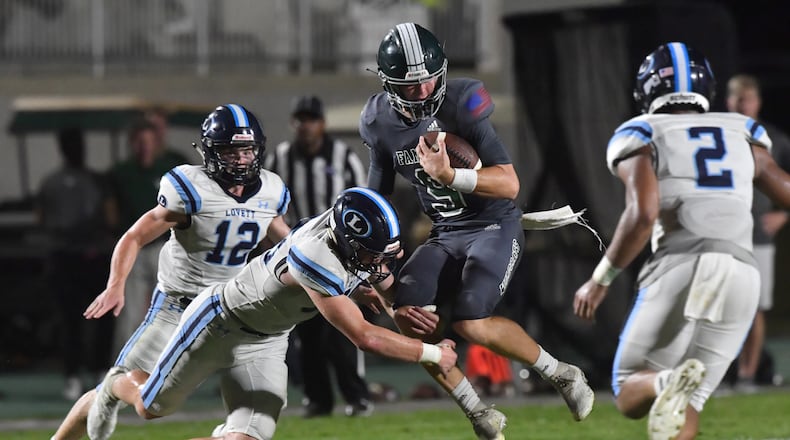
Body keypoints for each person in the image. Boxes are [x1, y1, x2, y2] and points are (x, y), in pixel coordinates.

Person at [361, 22, 594, 439]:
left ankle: (561, 372)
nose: (424, 91)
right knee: (408, 318)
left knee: (471, 321)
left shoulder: (464, 101)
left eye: (430, 79)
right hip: (444, 232)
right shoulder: (378, 120)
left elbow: (509, 184)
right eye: (411, 85)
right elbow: (376, 199)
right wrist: (369, 261)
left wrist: (450, 176)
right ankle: (478, 413)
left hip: (494, 224)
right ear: (387, 83)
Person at [86, 187, 458, 440]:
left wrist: (399, 310)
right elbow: (364, 337)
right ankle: (116, 384)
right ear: (347, 241)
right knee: (150, 407)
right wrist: (431, 352)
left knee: (248, 436)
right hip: (219, 323)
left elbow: (378, 278)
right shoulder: (316, 255)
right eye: (371, 254)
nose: (378, 263)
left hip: (267, 340)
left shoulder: (343, 238)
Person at [572, 42, 790, 440]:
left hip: (682, 263)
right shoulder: (741, 130)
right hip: (742, 272)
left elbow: (643, 214)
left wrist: (600, 280)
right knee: (686, 402)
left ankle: (665, 381)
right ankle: (671, 383)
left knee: (629, 387)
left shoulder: (642, 132)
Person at [51, 104, 291, 440]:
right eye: (230, 151)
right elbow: (135, 236)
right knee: (140, 398)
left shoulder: (270, 190)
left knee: (251, 428)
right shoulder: (192, 188)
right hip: (178, 309)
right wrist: (115, 285)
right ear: (210, 152)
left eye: (247, 150)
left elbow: (288, 245)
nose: (240, 159)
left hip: (230, 312)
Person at [265, 95, 373, 417]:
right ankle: (318, 400)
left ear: (322, 124)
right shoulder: (279, 159)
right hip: (297, 256)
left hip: (339, 255)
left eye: (311, 120)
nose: (305, 126)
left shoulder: (344, 158)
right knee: (307, 334)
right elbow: (268, 206)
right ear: (293, 123)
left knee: (343, 330)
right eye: (300, 120)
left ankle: (357, 396)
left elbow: (363, 202)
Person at [35, 128, 115, 401]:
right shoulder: (61, 182)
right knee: (75, 320)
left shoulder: (86, 180)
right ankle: (81, 374)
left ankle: (90, 372)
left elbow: (41, 218)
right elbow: (111, 216)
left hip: (83, 256)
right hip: (73, 257)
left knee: (88, 319)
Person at [725, 74, 790, 390]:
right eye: (738, 99)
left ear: (758, 102)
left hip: (757, 235)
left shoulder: (773, 139)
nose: (743, 105)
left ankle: (747, 375)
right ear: (728, 102)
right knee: (722, 305)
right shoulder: (718, 133)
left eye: (748, 99)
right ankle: (724, 371)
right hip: (722, 231)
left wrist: (784, 215)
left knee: (754, 307)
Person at [107, 117, 189, 354]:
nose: (144, 147)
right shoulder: (121, 173)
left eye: (148, 142)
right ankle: (122, 365)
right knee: (129, 311)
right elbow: (111, 212)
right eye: (140, 142)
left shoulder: (170, 168)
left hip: (165, 247)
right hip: (136, 248)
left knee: (170, 310)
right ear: (132, 143)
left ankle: (169, 363)